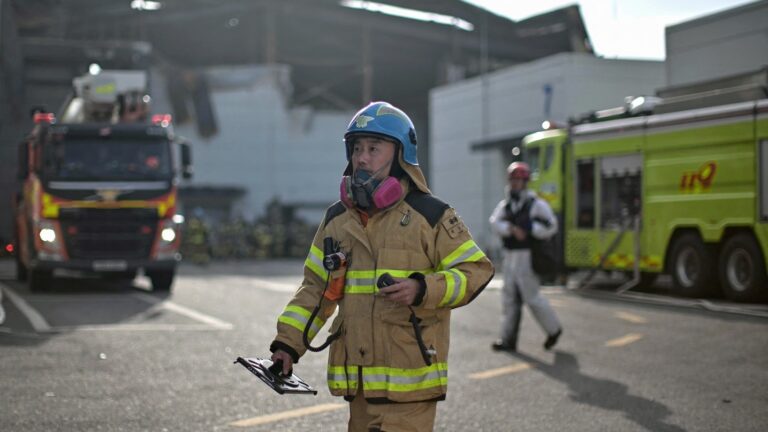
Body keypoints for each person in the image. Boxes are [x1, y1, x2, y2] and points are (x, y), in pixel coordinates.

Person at [269, 101, 494, 432]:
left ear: (401, 155)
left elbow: (475, 270)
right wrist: (288, 344)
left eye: (374, 148)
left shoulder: (430, 215)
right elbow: (316, 288)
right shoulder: (337, 221)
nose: (361, 157)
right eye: (357, 147)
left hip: (410, 386)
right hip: (359, 385)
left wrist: (422, 289)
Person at [488, 161, 562, 352]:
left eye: (519, 180)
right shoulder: (506, 205)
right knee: (509, 298)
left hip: (527, 256)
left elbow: (551, 226)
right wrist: (511, 229)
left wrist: (530, 229)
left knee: (532, 297)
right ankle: (507, 339)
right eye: (513, 179)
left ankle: (554, 329)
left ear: (525, 182)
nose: (515, 183)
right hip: (510, 255)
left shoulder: (536, 204)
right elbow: (494, 222)